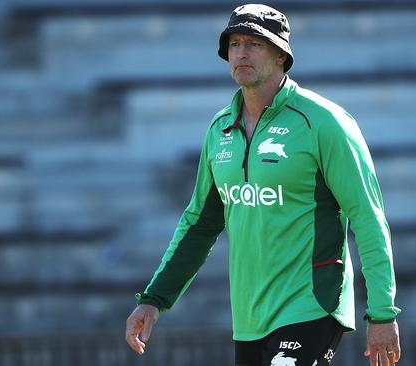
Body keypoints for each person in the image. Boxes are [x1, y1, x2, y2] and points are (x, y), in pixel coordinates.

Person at [125, 4, 401, 366]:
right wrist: (154, 299)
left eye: (254, 43)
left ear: (281, 55)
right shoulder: (219, 129)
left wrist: (382, 312)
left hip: (311, 305)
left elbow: (367, 216)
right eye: (235, 43)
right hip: (249, 319)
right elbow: (200, 224)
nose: (241, 52)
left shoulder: (324, 122)